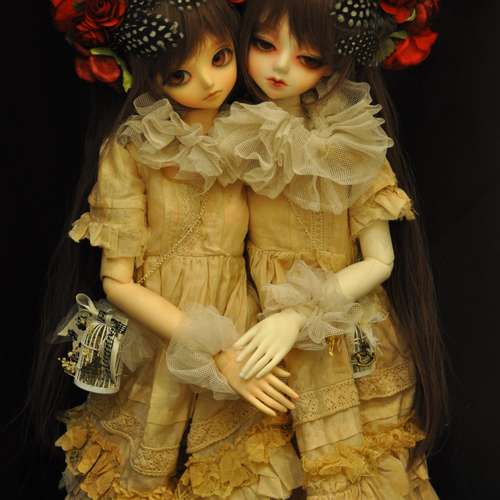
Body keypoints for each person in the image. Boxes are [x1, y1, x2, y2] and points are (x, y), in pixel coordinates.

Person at [33, 0, 302, 498]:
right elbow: (117, 281)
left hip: (239, 321)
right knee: (144, 470)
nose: (209, 83)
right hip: (160, 332)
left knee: (240, 473)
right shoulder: (133, 148)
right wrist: (215, 352)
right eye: (180, 74)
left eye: (220, 58)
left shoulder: (255, 136)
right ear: (147, 75)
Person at [207, 0, 448, 497]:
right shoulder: (225, 133)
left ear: (336, 62)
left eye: (308, 58)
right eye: (264, 44)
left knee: (355, 468)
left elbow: (380, 260)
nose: (280, 67)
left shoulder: (349, 136)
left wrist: (298, 316)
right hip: (254, 330)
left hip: (340, 327)